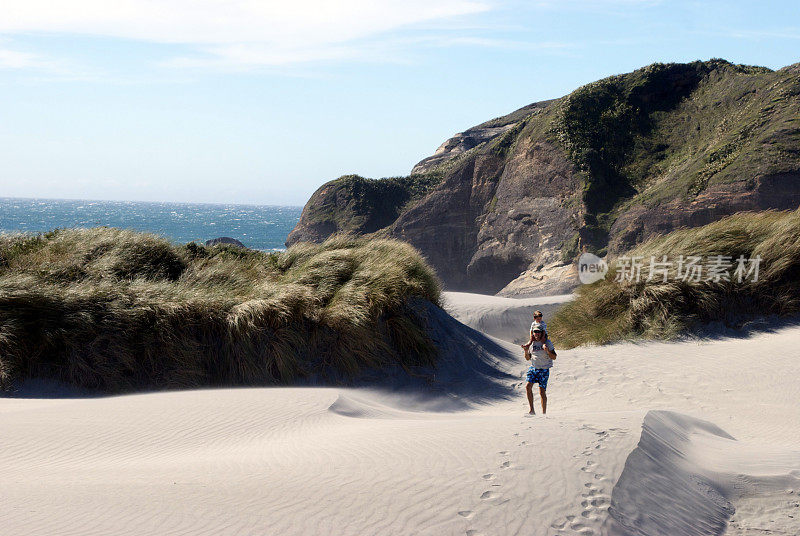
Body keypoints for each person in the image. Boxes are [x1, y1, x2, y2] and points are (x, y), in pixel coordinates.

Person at [521, 323, 556, 415]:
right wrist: (525, 351)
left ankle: (544, 413)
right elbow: (528, 358)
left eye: (538, 332)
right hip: (534, 368)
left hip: (544, 369)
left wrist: (547, 350)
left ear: (542, 333)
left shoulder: (547, 343)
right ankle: (532, 410)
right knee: (528, 386)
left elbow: (554, 357)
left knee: (542, 391)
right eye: (535, 332)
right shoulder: (532, 343)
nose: (536, 334)